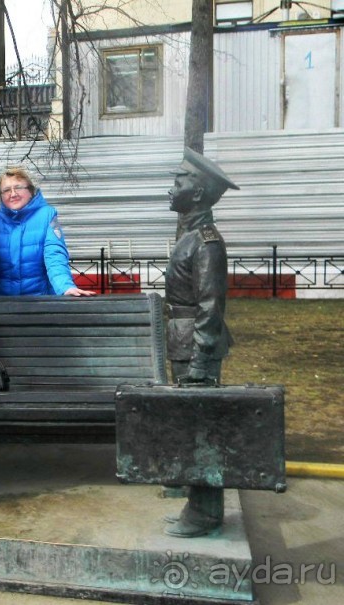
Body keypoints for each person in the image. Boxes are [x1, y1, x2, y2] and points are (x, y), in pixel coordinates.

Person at [164, 146, 238, 538]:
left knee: (202, 428)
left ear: (196, 193)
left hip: (197, 345)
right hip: (184, 339)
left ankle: (206, 512)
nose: (172, 186)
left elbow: (211, 306)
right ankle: (195, 502)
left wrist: (200, 360)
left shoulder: (206, 241)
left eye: (180, 180)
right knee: (189, 424)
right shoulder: (189, 233)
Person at [0, 167, 94, 297]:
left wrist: (65, 286)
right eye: (6, 190)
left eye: (18, 188)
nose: (13, 194)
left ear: (31, 190)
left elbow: (54, 255)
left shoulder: (47, 215)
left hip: (39, 301)